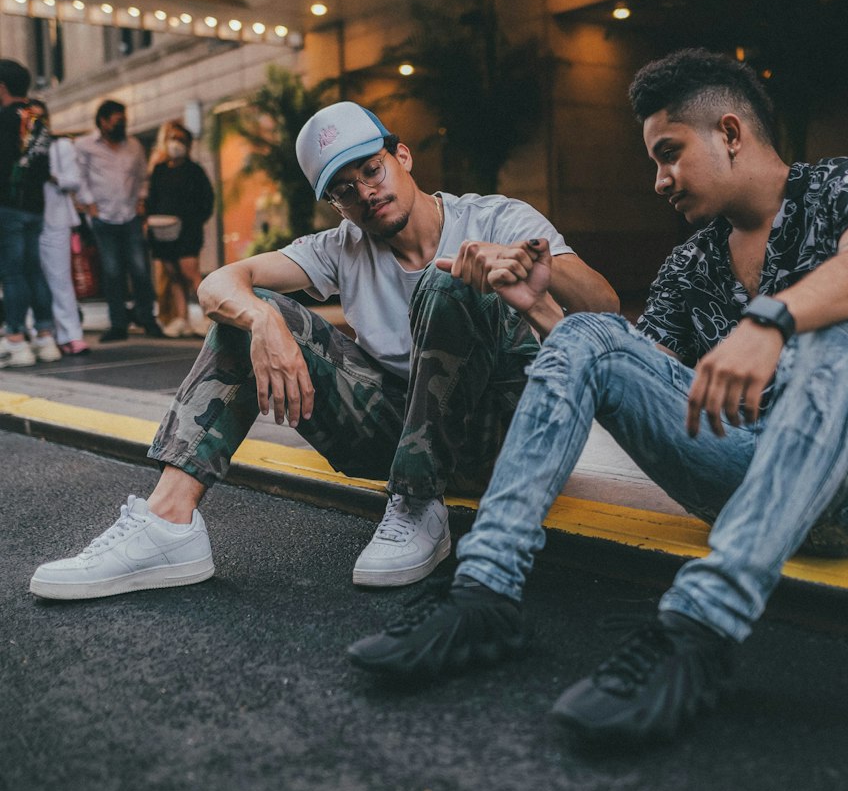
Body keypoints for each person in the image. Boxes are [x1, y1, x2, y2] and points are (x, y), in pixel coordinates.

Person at [349, 48, 848, 748]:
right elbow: (646, 385)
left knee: (839, 337)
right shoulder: (691, 263)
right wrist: (544, 316)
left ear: (731, 133)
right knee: (593, 331)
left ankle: (697, 630)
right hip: (738, 474)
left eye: (670, 153)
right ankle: (483, 593)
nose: (659, 180)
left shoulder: (841, 184)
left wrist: (773, 320)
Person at [30, 101, 618, 600]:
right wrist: (264, 322)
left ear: (402, 155)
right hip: (397, 437)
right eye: (344, 190)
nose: (365, 193)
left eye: (372, 170)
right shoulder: (343, 246)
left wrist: (531, 277)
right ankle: (167, 524)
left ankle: (418, 503)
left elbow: (605, 308)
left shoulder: (497, 216)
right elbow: (218, 284)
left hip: (506, 439)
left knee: (451, 282)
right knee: (247, 311)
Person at [76, 99, 162, 342]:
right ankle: (118, 324)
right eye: (116, 120)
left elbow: (143, 176)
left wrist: (142, 199)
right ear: (102, 122)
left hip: (130, 216)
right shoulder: (85, 145)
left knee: (140, 270)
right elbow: (80, 177)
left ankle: (147, 318)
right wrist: (89, 203)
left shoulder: (134, 145)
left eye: (124, 120)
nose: (122, 124)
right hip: (103, 217)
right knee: (112, 272)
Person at [0, 59, 61, 367]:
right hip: (36, 206)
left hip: (7, 205)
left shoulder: (3, 118)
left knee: (12, 273)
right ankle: (46, 337)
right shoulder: (39, 118)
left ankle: (15, 341)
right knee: (34, 270)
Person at [25, 98, 90, 356]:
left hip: (55, 219)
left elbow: (73, 180)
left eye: (40, 118)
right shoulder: (19, 148)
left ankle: (71, 334)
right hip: (28, 218)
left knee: (60, 278)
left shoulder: (60, 145)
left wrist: (48, 174)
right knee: (30, 277)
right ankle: (42, 332)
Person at [146, 120, 215, 337]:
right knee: (173, 275)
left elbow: (207, 200)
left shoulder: (194, 171)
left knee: (190, 274)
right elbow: (151, 199)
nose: (176, 144)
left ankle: (210, 317)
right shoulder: (158, 171)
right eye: (173, 139)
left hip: (188, 230)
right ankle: (181, 319)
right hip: (162, 231)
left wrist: (194, 221)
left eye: (181, 140)